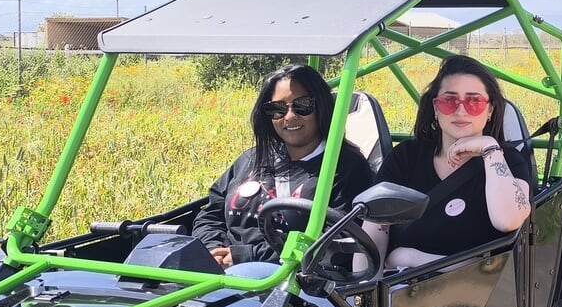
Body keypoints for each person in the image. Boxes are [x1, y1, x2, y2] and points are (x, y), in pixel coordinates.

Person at [196, 64, 374, 269]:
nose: (289, 116)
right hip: (219, 269)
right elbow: (210, 213)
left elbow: (335, 241)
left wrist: (245, 256)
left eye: (303, 105)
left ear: (321, 107)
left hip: (288, 278)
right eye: (277, 109)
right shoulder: (252, 158)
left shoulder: (346, 167)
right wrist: (212, 249)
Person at [375, 55, 532, 266]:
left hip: (474, 291)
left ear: (490, 110)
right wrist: (364, 290)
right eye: (449, 101)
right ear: (436, 108)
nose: (460, 111)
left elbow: (508, 220)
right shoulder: (406, 156)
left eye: (474, 101)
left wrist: (489, 149)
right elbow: (374, 230)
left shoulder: (507, 160)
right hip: (398, 289)